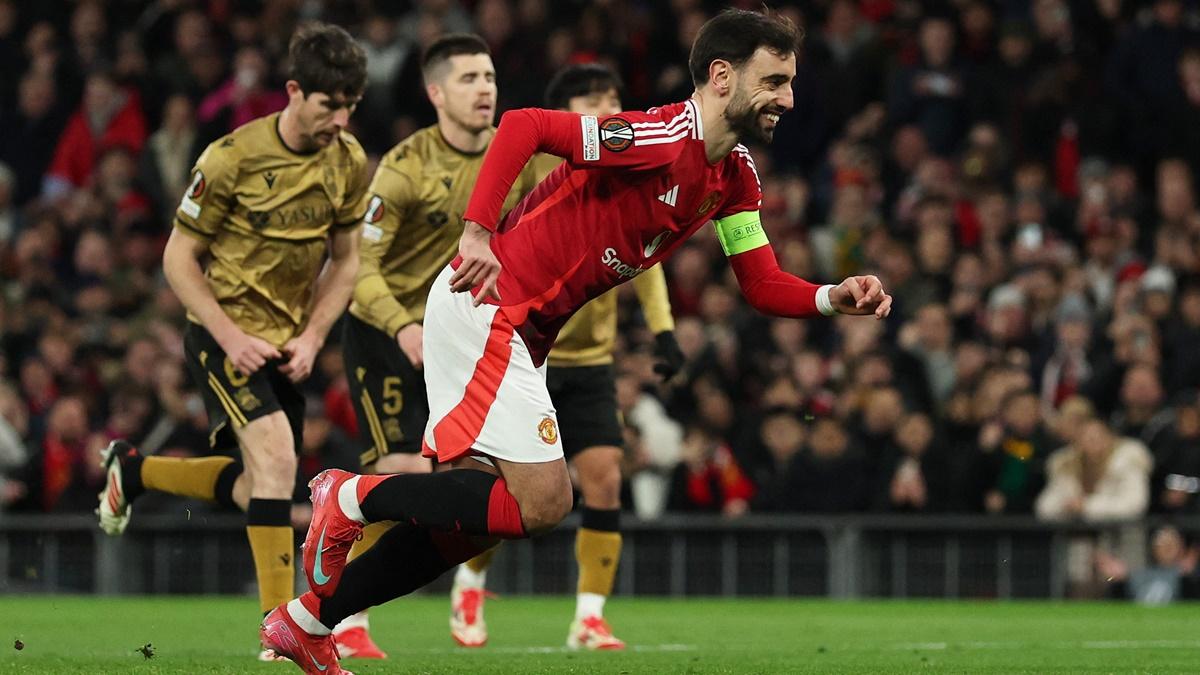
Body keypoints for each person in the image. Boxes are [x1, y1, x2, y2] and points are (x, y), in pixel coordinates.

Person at [261, 10, 891, 674]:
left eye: (790, 83)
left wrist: (831, 296)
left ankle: (306, 622)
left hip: (521, 330)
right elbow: (525, 125)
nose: (788, 99)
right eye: (775, 81)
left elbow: (760, 282)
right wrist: (476, 231)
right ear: (722, 76)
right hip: (488, 307)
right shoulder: (655, 136)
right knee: (546, 501)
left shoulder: (733, 176)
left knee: (468, 524)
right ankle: (351, 496)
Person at [94, 22, 368, 660]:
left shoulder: (348, 161)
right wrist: (228, 334)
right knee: (276, 460)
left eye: (351, 105)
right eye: (331, 105)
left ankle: (133, 472)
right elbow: (178, 259)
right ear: (294, 91)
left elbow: (348, 261)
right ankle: (282, 629)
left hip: (287, 344)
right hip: (222, 334)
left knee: (256, 488)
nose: (341, 120)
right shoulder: (230, 158)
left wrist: (313, 335)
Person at [447, 62, 684, 651]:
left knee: (604, 477)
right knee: (504, 485)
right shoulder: (539, 164)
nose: (608, 105)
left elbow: (647, 253)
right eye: (592, 96)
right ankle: (470, 582)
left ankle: (590, 616)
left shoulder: (631, 161)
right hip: (524, 345)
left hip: (591, 357)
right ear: (565, 106)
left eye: (613, 95)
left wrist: (664, 330)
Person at [333, 33, 540, 659]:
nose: (485, 88)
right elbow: (357, 270)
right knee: (400, 470)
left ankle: (466, 587)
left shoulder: (518, 157)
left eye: (490, 76)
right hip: (389, 334)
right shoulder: (403, 167)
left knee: (492, 476)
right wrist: (401, 324)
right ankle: (346, 617)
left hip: (468, 338)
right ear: (436, 93)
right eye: (470, 78)